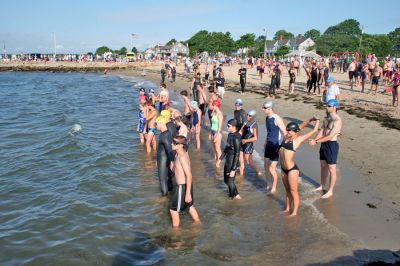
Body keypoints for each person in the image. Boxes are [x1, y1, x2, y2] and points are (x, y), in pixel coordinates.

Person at [280, 118, 320, 217]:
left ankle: (294, 212)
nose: (287, 131)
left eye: (289, 130)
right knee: (287, 191)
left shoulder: (298, 140)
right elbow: (301, 125)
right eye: (287, 129)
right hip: (283, 169)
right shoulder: (286, 136)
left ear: (295, 132)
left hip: (291, 170)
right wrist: (311, 119)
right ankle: (287, 208)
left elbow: (314, 131)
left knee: (293, 191)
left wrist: (317, 120)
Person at [310, 99, 342, 199]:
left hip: (331, 145)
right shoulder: (326, 118)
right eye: (327, 105)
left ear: (334, 107)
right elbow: (322, 131)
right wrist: (315, 139)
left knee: (332, 169)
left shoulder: (338, 120)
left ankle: (330, 191)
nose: (326, 107)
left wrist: (316, 141)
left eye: (329, 106)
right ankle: (322, 185)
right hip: (323, 144)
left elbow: (331, 135)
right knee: (323, 166)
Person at [169, 135, 201, 227]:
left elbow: (189, 174)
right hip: (186, 186)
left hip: (182, 187)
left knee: (173, 210)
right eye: (172, 142)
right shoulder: (179, 154)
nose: (172, 144)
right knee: (189, 207)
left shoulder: (182, 157)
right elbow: (179, 170)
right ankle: (198, 224)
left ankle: (176, 235)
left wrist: (187, 194)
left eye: (175, 143)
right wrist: (173, 167)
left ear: (181, 145)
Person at [263, 101, 287, 193]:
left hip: (276, 145)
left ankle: (274, 187)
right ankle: (268, 184)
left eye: (264, 108)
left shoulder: (277, 118)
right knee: (266, 165)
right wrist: (265, 141)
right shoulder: (267, 118)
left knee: (271, 168)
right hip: (269, 144)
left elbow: (284, 132)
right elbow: (269, 131)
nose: (263, 109)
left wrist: (283, 145)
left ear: (270, 108)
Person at [221, 119, 242, 199]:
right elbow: (227, 147)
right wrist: (220, 159)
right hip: (228, 161)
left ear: (234, 127)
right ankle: (236, 195)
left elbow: (237, 153)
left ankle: (232, 197)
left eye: (228, 126)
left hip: (233, 162)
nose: (227, 127)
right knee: (226, 181)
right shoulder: (230, 135)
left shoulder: (237, 137)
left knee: (230, 181)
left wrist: (233, 169)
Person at [155, 116, 175, 196]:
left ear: (161, 123)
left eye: (156, 124)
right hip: (164, 159)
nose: (156, 126)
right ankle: (170, 191)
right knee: (167, 177)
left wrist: (172, 162)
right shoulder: (166, 133)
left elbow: (169, 149)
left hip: (163, 160)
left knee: (162, 179)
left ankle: (164, 197)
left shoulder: (164, 135)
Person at [239, 110, 262, 176]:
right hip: (242, 143)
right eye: (247, 115)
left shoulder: (254, 125)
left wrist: (245, 140)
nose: (248, 116)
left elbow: (256, 138)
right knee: (241, 161)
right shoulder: (245, 122)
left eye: (250, 116)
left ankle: (258, 172)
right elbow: (240, 131)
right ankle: (241, 176)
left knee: (249, 161)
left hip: (248, 145)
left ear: (253, 117)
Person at [210, 99, 223, 167]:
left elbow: (220, 127)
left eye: (213, 105)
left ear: (216, 105)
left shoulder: (220, 114)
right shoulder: (214, 112)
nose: (212, 106)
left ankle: (219, 162)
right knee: (214, 147)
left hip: (217, 132)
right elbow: (212, 123)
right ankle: (216, 159)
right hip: (212, 130)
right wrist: (210, 133)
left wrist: (217, 135)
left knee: (218, 148)